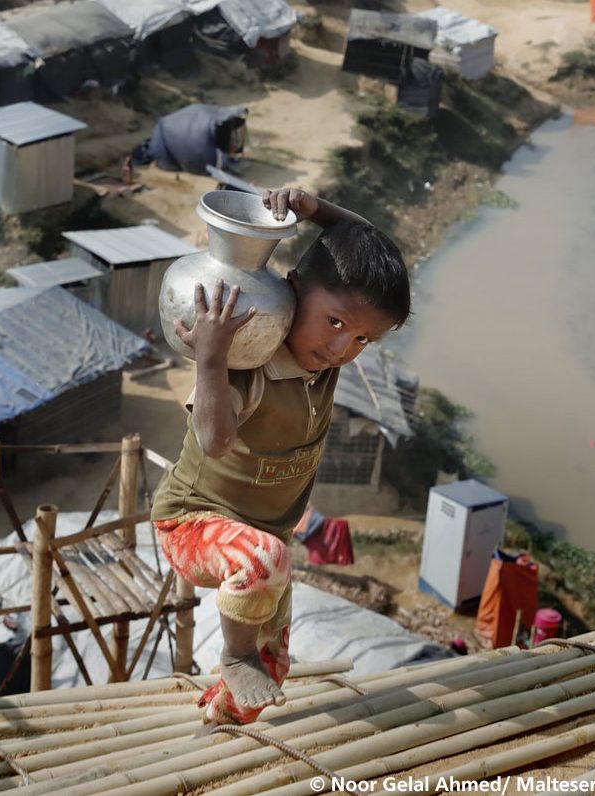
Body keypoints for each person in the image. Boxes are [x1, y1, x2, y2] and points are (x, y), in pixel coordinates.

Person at [151, 187, 411, 727]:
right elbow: (214, 440)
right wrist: (211, 359)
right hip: (192, 523)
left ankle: (223, 726)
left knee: (271, 668)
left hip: (268, 547)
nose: (343, 347)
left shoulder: (325, 361)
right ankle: (233, 653)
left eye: (364, 338)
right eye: (336, 323)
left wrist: (316, 211)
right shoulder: (253, 364)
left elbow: (366, 238)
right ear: (292, 292)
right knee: (263, 563)